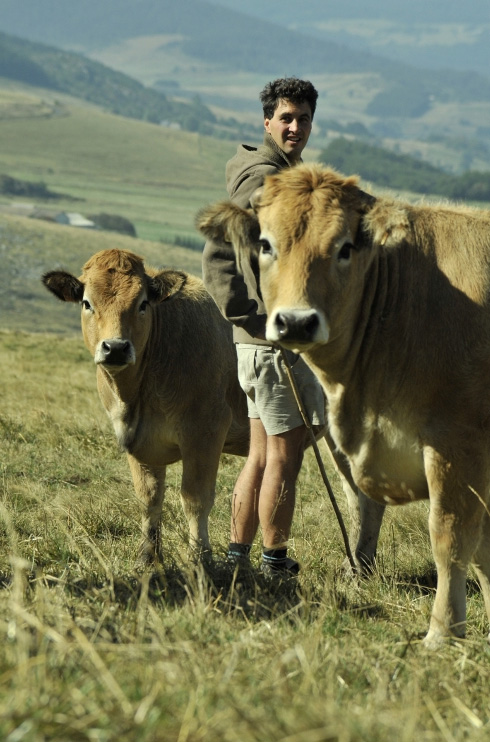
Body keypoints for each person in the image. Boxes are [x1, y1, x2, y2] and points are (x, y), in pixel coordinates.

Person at [202, 77, 325, 577]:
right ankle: (274, 564)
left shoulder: (276, 171)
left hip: (253, 345)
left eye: (304, 119)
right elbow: (217, 254)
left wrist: (246, 325)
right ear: (267, 121)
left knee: (259, 452)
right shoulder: (267, 183)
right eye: (287, 118)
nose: (295, 127)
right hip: (273, 344)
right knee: (284, 456)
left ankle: (237, 557)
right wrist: (259, 320)